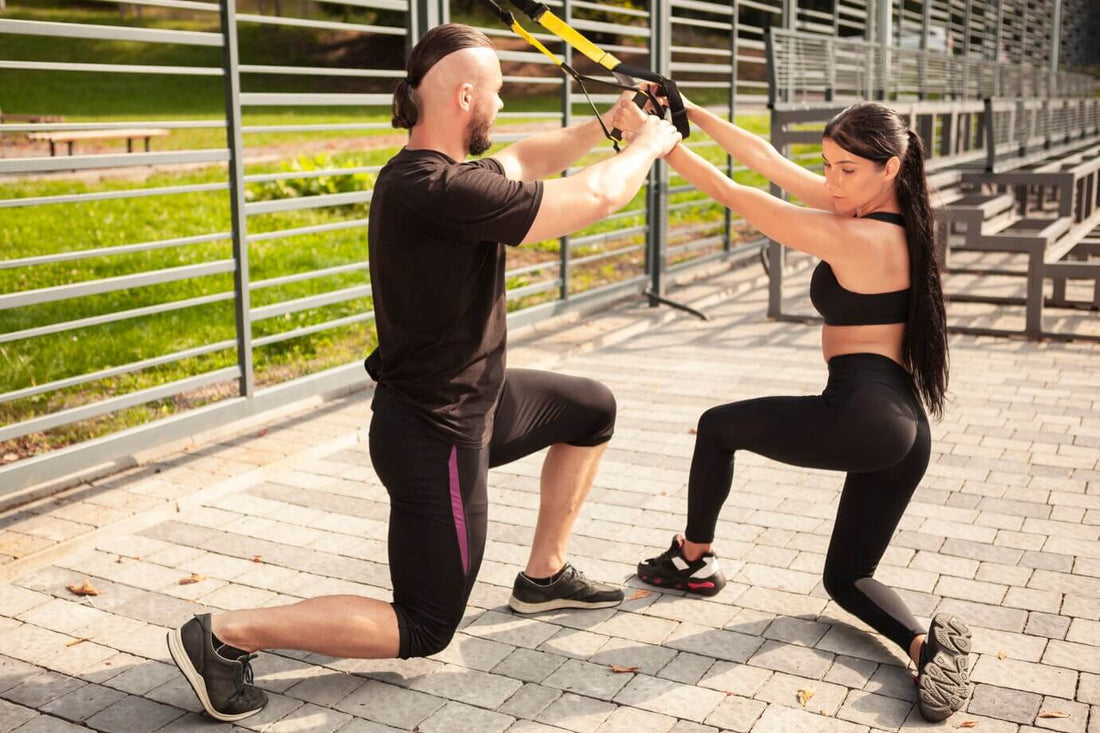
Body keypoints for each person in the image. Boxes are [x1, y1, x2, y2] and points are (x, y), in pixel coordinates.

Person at [165, 24, 681, 722]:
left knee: (591, 408)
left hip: (475, 402)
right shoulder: (439, 190)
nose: (499, 105)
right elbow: (591, 201)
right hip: (436, 436)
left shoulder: (431, 174)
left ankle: (544, 575)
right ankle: (223, 635)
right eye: (495, 91)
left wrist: (613, 124)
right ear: (465, 94)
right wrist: (650, 144)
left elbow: (530, 155)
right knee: (426, 625)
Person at [614, 95, 972, 722]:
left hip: (861, 414)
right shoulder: (893, 212)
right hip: (904, 432)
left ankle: (692, 559)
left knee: (719, 428)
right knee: (847, 577)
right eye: (828, 165)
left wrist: (659, 142)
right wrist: (690, 112)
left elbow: (739, 194)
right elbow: (767, 159)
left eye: (845, 170)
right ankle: (926, 646)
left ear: (889, 167)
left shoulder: (856, 232)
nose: (831, 182)